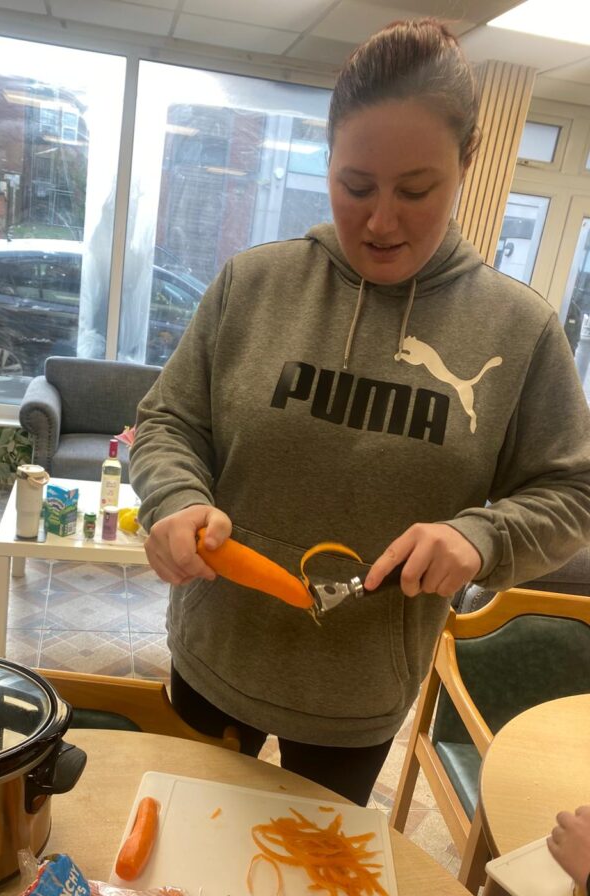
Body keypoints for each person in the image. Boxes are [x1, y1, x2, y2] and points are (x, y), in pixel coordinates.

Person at [129, 19, 590, 806]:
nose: (382, 221)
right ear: (328, 164)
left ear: (466, 166)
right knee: (180, 871)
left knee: (310, 891)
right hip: (215, 655)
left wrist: (477, 537)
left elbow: (572, 495)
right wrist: (175, 499)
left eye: (417, 190)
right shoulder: (253, 285)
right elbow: (168, 421)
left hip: (358, 696)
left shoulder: (521, 331)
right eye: (356, 186)